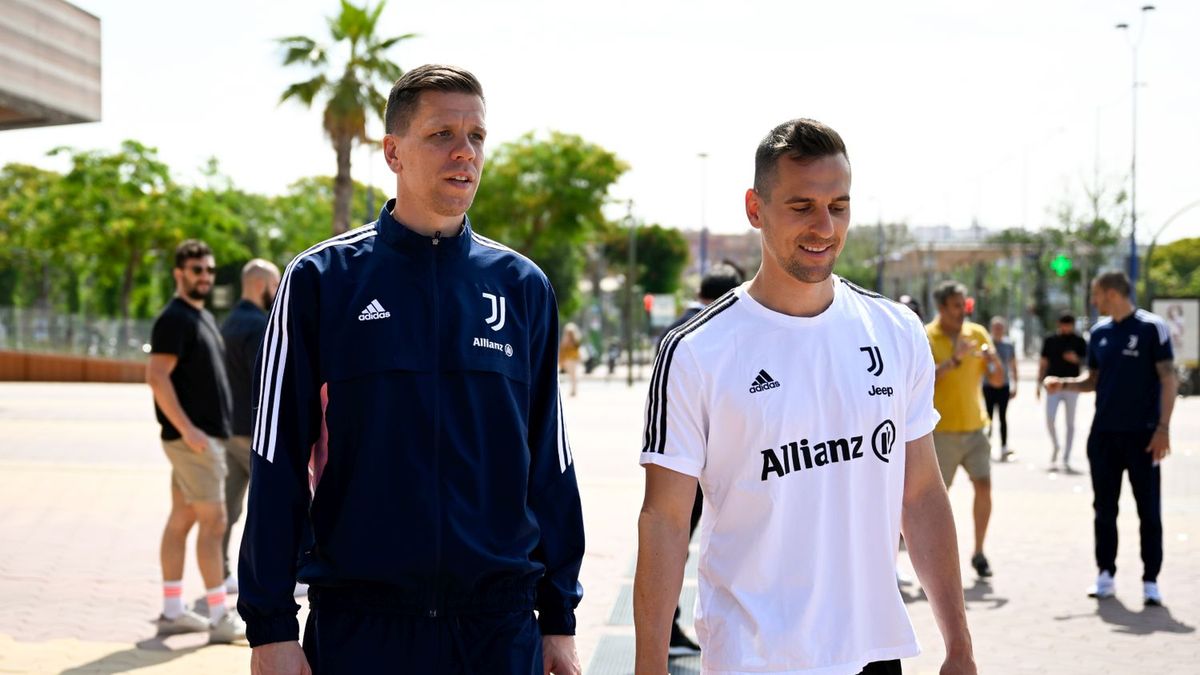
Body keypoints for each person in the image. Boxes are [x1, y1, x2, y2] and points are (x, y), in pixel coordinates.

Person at [238, 65, 584, 675]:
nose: (464, 152)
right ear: (393, 152)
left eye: (476, 136)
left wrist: (559, 618)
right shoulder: (323, 281)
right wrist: (270, 625)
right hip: (362, 625)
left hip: (497, 627)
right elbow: (277, 459)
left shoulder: (522, 287)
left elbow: (548, 460)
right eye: (441, 134)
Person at [634, 118, 976, 675]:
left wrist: (958, 643)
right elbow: (666, 521)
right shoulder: (698, 350)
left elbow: (920, 496)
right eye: (801, 206)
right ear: (755, 208)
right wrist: (649, 666)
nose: (824, 225)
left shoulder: (895, 331)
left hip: (872, 653)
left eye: (838, 206)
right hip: (753, 657)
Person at [1044, 270, 1175, 606]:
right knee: (1104, 508)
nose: (1094, 300)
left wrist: (1163, 428)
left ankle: (1150, 581)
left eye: (1097, 294)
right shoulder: (1099, 332)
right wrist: (1064, 383)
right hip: (1104, 436)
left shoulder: (1151, 327)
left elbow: (1169, 380)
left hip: (1144, 436)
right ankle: (1105, 574)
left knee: (1149, 510)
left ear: (1112, 292)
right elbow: (1094, 380)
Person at [146, 239, 246, 643]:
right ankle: (220, 617)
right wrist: (188, 430)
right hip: (196, 442)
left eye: (208, 270)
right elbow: (156, 376)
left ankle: (173, 611)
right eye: (196, 270)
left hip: (202, 440)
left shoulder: (199, 316)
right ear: (179, 273)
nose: (204, 276)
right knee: (215, 522)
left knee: (184, 519)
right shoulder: (174, 319)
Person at [649, 262, 743, 658]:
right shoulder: (719, 329)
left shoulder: (676, 332)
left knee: (676, 540)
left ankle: (667, 627)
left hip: (678, 460)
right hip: (719, 462)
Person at [926, 280, 1002, 579]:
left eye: (964, 305)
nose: (962, 311)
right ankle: (932, 559)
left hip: (975, 430)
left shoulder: (978, 334)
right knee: (935, 500)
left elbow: (997, 381)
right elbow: (922, 382)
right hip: (940, 433)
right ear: (942, 308)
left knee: (984, 486)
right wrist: (955, 359)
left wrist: (995, 363)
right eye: (956, 305)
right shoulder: (925, 336)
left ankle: (979, 552)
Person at [218, 258, 281, 593]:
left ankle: (221, 574)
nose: (278, 291)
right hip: (254, 432)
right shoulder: (259, 326)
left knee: (227, 509)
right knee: (280, 502)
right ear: (261, 285)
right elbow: (268, 381)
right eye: (275, 285)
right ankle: (287, 573)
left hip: (229, 430)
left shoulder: (227, 323)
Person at [1037, 313, 1088, 472]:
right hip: (1053, 384)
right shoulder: (1050, 340)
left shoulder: (1079, 341)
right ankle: (1056, 445)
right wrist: (1038, 383)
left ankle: (1066, 456)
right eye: (1063, 324)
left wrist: (1076, 360)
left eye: (1069, 324)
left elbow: (1087, 362)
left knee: (1070, 423)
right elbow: (1043, 362)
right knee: (1050, 418)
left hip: (1073, 385)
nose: (1066, 327)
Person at [982, 316, 1018, 460]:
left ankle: (1004, 447)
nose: (998, 330)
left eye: (1000, 328)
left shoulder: (1009, 345)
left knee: (1003, 417)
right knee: (988, 417)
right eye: (995, 327)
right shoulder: (985, 344)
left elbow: (1013, 366)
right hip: (988, 385)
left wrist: (1016, 384)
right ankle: (987, 447)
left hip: (1004, 385)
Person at [559, 322, 583, 397]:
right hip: (570, 359)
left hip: (571, 359)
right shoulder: (575, 339)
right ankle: (573, 390)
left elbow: (563, 349)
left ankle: (573, 390)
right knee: (573, 375)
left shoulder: (574, 339)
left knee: (573, 375)